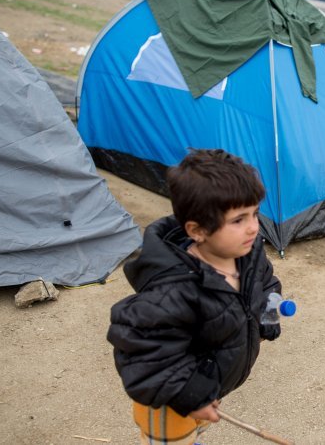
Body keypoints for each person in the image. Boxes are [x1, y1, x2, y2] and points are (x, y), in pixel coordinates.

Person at [107, 148, 283, 444]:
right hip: (171, 403)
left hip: (208, 387)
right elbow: (141, 351)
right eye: (238, 220)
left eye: (254, 213)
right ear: (197, 230)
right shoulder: (174, 290)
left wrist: (269, 318)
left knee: (198, 432)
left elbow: (267, 285)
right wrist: (191, 395)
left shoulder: (246, 254)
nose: (254, 227)